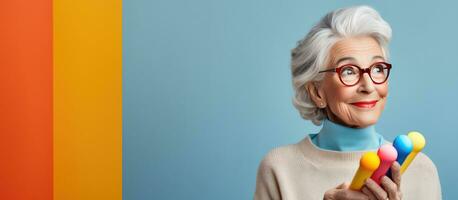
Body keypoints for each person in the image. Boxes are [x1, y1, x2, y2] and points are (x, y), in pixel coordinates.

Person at [254, 5, 441, 200]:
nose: (368, 86)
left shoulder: (421, 169)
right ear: (317, 92)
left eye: (377, 68)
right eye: (348, 71)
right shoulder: (279, 167)